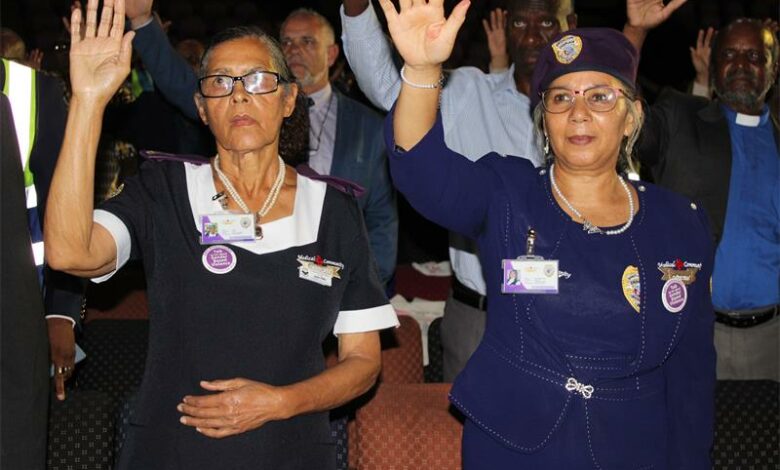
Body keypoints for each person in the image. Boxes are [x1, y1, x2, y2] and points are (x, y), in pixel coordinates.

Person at [44, 1, 398, 468]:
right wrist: (88, 102)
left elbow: (364, 363)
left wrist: (279, 402)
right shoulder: (164, 190)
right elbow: (70, 253)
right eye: (220, 82)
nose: (239, 96)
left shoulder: (335, 210)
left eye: (258, 80)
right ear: (202, 108)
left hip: (291, 449)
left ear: (288, 100)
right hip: (173, 451)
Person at [380, 0, 716, 467]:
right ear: (544, 121)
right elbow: (421, 169)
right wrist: (421, 69)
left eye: (599, 97)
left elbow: (691, 378)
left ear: (631, 117)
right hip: (515, 445)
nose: (578, 112)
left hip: (635, 447)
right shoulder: (509, 194)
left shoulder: (680, 223)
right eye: (560, 98)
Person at [341, 0, 684, 381]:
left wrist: (634, 34)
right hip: (481, 318)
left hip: (578, 320)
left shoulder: (586, 120)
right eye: (520, 23)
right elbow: (389, 92)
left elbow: (613, 94)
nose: (532, 36)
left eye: (546, 23)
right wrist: (363, 13)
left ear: (570, 25)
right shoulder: (467, 92)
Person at [122, 0, 398, 289]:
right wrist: (142, 22)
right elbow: (179, 81)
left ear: (331, 54)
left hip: (336, 285)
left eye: (307, 41)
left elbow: (381, 222)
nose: (294, 50)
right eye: (286, 42)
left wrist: (357, 290)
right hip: (241, 279)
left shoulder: (369, 127)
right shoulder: (240, 109)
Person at [637, 18, 779, 381]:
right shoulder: (681, 119)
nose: (742, 64)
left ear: (773, 68)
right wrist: (634, 34)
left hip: (773, 340)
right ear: (713, 67)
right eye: (729, 54)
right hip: (694, 334)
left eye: (755, 56)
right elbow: (626, 121)